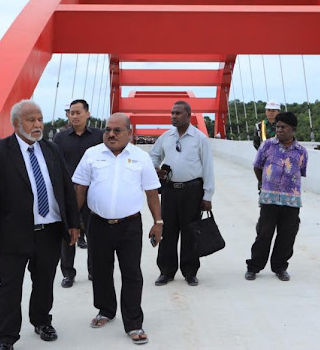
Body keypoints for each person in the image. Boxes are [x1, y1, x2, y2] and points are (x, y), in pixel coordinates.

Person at [0, 100, 80, 350]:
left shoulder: (52, 150)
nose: (37, 125)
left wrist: (74, 223)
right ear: (16, 123)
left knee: (45, 282)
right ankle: (5, 337)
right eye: (31, 120)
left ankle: (42, 321)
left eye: (40, 119)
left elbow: (66, 188)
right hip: (13, 232)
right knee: (10, 285)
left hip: (50, 229)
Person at [72, 113, 162, 345]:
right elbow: (79, 189)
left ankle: (133, 323)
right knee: (101, 271)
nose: (111, 134)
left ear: (129, 134)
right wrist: (72, 222)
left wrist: (158, 222)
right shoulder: (92, 155)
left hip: (130, 225)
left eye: (117, 130)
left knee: (132, 273)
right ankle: (106, 310)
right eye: (107, 130)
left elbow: (152, 192)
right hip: (98, 223)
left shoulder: (141, 158)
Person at [150, 100, 215, 287]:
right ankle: (166, 271)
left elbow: (208, 167)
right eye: (172, 113)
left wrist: (207, 195)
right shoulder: (166, 137)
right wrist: (155, 168)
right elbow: (153, 155)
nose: (173, 116)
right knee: (167, 231)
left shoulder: (199, 138)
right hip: (170, 190)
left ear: (188, 115)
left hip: (192, 191)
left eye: (177, 113)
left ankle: (190, 272)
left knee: (190, 232)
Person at [245, 111, 308, 282]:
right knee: (264, 233)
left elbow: (300, 172)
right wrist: (264, 184)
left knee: (287, 235)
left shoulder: (301, 151)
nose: (279, 130)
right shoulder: (267, 146)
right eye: (278, 127)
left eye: (283, 127)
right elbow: (257, 166)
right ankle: (254, 267)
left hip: (291, 200)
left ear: (293, 129)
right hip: (269, 199)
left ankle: (280, 267)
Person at [53, 99, 103, 288]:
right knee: (68, 234)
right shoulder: (60, 138)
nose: (74, 116)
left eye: (77, 112)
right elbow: (54, 164)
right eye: (71, 113)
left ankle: (93, 271)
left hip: (93, 193)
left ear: (87, 114)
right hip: (68, 193)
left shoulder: (99, 136)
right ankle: (68, 273)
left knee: (94, 234)